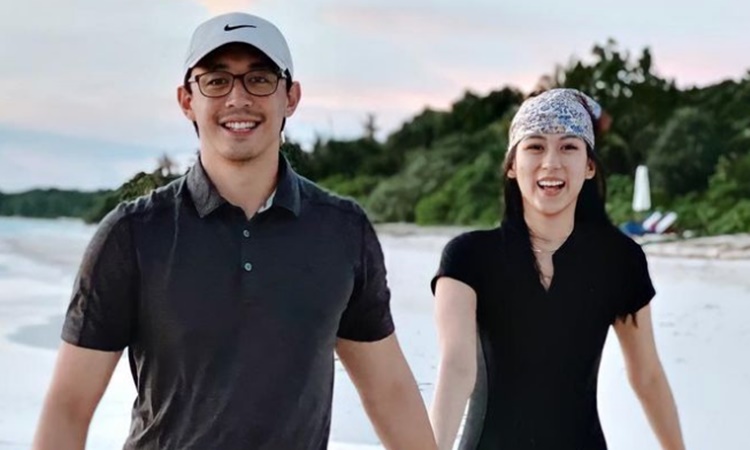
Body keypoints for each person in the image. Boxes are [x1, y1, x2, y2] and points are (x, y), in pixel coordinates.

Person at [32, 12, 436, 450]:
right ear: (187, 100)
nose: (238, 98)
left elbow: (390, 391)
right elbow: (69, 406)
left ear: (291, 97)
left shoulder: (342, 231)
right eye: (216, 81)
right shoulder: (132, 235)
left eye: (259, 79)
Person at [428, 89, 685, 449]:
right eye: (535, 146)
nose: (551, 163)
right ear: (512, 165)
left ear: (589, 166)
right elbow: (457, 368)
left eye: (568, 147)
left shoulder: (619, 259)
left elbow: (647, 375)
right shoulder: (468, 257)